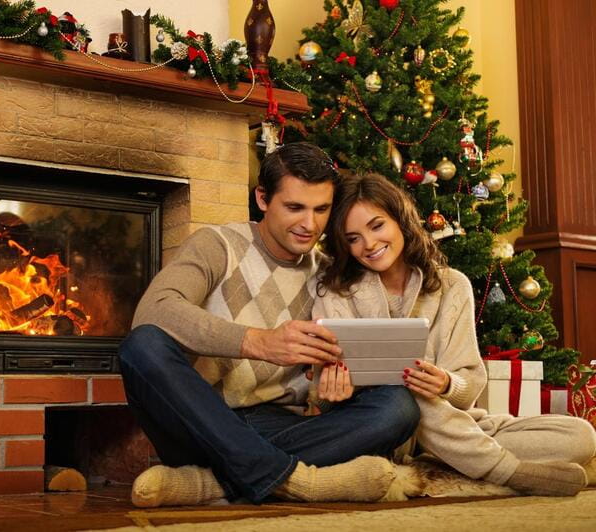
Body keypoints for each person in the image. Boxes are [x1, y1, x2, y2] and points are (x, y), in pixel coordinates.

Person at [118, 143, 420, 508]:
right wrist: (256, 342)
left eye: (321, 209)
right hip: (200, 419)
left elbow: (339, 378)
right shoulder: (218, 245)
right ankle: (299, 482)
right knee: (143, 345)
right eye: (294, 207)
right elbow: (154, 310)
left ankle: (214, 482)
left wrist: (338, 385)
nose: (310, 224)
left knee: (397, 407)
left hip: (279, 425)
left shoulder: (330, 274)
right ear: (262, 199)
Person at [313, 172, 596, 497]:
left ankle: (444, 461)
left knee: (581, 435)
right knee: (402, 390)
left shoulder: (452, 285)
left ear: (401, 219)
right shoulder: (335, 292)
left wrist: (446, 383)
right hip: (380, 424)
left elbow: (470, 383)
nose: (369, 244)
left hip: (452, 425)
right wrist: (332, 388)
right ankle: (505, 470)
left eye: (377, 226)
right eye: (353, 238)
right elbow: (321, 389)